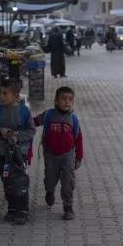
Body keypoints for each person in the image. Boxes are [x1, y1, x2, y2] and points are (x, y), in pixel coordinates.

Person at [0, 79, 36, 225]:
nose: (1, 96)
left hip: (20, 154)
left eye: (5, 93)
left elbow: (31, 130)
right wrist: (0, 131)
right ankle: (12, 207)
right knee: (6, 180)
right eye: (0, 92)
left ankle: (23, 209)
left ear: (15, 96)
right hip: (4, 154)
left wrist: (17, 137)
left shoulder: (24, 111)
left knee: (20, 180)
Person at [33, 86, 83, 221]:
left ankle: (68, 207)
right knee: (50, 179)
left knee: (68, 182)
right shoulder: (48, 115)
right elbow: (34, 121)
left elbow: (78, 138)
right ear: (56, 100)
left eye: (70, 99)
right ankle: (50, 190)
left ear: (73, 102)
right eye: (63, 99)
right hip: (50, 155)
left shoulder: (74, 120)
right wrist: (22, 121)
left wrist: (78, 157)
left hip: (67, 155)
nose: (67, 102)